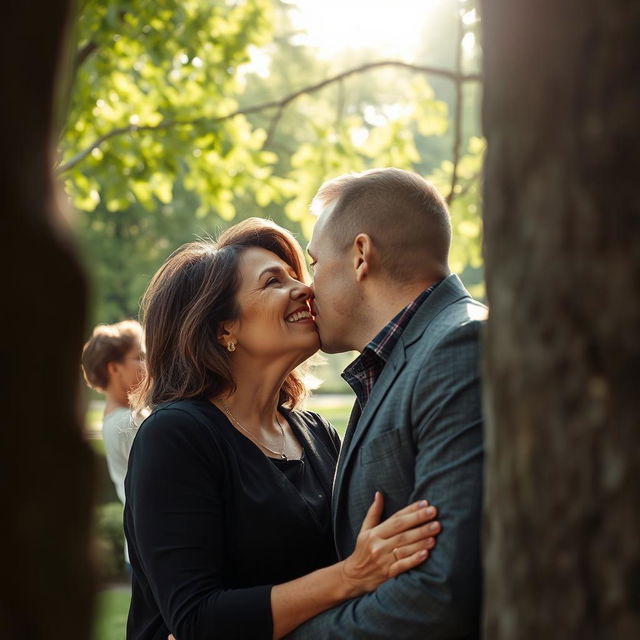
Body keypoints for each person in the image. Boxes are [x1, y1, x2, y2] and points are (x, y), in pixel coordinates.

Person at [124, 218, 441, 640]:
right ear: (224, 328)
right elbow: (198, 621)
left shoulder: (316, 433)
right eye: (273, 282)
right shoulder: (176, 436)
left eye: (298, 275)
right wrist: (350, 575)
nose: (305, 289)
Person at [289, 168, 486, 638]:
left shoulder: (459, 346)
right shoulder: (393, 361)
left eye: (314, 264)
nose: (308, 289)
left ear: (361, 255)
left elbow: (442, 593)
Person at [82, 320, 145, 571]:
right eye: (139, 357)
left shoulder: (124, 419)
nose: (147, 364)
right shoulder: (126, 424)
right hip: (148, 550)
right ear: (113, 368)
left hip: (140, 547)